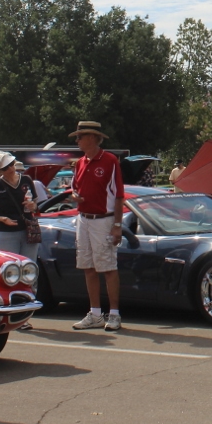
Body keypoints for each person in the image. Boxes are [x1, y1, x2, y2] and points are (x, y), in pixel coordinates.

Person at [68, 121, 125, 332]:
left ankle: (114, 314)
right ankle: (95, 314)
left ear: (92, 137)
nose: (77, 140)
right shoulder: (80, 163)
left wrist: (117, 225)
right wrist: (75, 196)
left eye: (80, 136)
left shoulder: (109, 160)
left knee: (108, 267)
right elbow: (75, 189)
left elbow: (118, 195)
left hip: (104, 219)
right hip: (84, 218)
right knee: (88, 267)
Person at [0, 152, 39, 260]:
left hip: (28, 230)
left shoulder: (26, 180)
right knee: (8, 264)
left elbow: (36, 206)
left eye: (11, 164)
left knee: (29, 264)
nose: (10, 169)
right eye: (5, 168)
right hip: (5, 232)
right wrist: (3, 219)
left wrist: (33, 206)